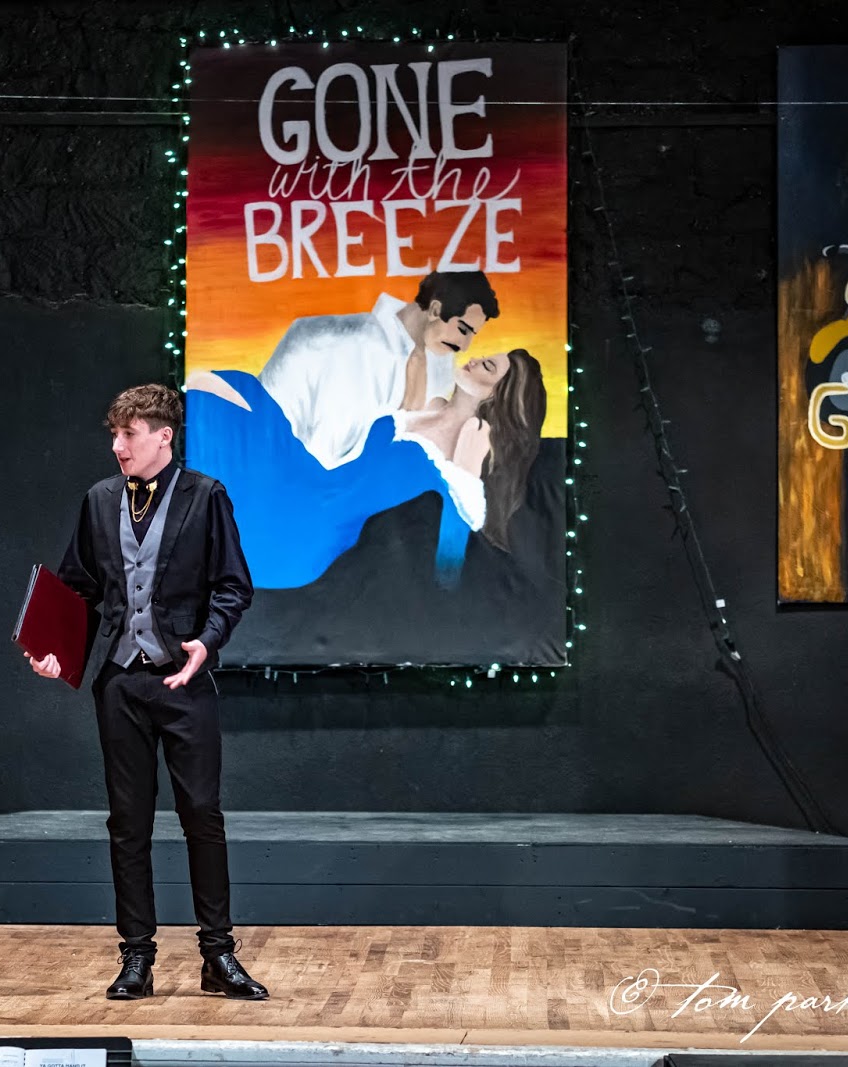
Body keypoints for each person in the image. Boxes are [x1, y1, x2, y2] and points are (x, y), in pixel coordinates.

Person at [27, 384, 267, 1001]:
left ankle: (218, 955)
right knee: (127, 823)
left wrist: (207, 642)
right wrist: (59, 652)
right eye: (114, 434)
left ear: (164, 436)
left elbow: (233, 586)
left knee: (201, 817)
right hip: (120, 683)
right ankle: (136, 956)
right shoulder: (99, 499)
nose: (117, 446)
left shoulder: (206, 496)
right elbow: (79, 588)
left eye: (128, 434)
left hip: (183, 680)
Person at [186, 350, 548, 587]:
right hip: (312, 480)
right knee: (231, 386)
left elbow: (452, 556)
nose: (476, 359)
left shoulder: (475, 437)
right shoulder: (431, 404)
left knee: (218, 403)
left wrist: (467, 468)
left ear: (497, 394)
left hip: (312, 529)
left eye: (488, 367)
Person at [243, 271, 502, 469]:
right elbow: (267, 438)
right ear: (435, 310)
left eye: (472, 335)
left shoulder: (443, 366)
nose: (465, 346)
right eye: (463, 329)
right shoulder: (332, 341)